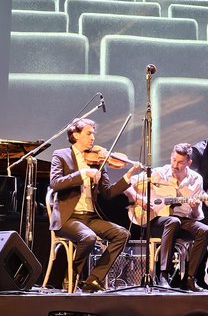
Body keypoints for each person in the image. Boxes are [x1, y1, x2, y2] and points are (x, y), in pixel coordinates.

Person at [49, 118, 142, 292]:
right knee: (88, 237)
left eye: (93, 134)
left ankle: (93, 279)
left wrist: (128, 175)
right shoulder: (60, 155)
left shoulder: (99, 160)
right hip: (68, 218)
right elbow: (55, 183)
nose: (93, 138)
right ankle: (73, 274)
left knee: (122, 234)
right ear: (76, 135)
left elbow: (109, 193)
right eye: (88, 133)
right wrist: (83, 173)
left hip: (90, 217)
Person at [125, 143, 208, 292]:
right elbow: (126, 184)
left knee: (205, 230)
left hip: (183, 220)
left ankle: (189, 279)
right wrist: (139, 198)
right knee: (173, 221)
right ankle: (164, 275)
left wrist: (195, 207)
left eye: (180, 162)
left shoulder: (196, 179)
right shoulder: (159, 173)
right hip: (156, 220)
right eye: (173, 160)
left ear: (189, 162)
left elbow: (196, 217)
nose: (175, 165)